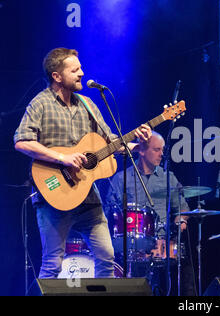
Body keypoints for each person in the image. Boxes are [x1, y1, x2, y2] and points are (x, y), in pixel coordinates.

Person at [14, 47, 152, 279]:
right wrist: (62, 157)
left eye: (80, 68)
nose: (81, 73)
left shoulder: (87, 104)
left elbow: (111, 142)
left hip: (88, 196)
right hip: (53, 194)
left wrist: (135, 142)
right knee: (52, 265)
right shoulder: (41, 103)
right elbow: (21, 142)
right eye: (75, 69)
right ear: (57, 76)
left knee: (107, 257)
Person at [105, 131, 194, 295]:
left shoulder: (169, 178)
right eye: (156, 150)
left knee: (185, 267)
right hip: (129, 244)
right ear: (142, 150)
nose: (161, 154)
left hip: (162, 243)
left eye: (162, 150)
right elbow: (110, 214)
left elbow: (182, 208)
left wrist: (179, 225)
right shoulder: (121, 179)